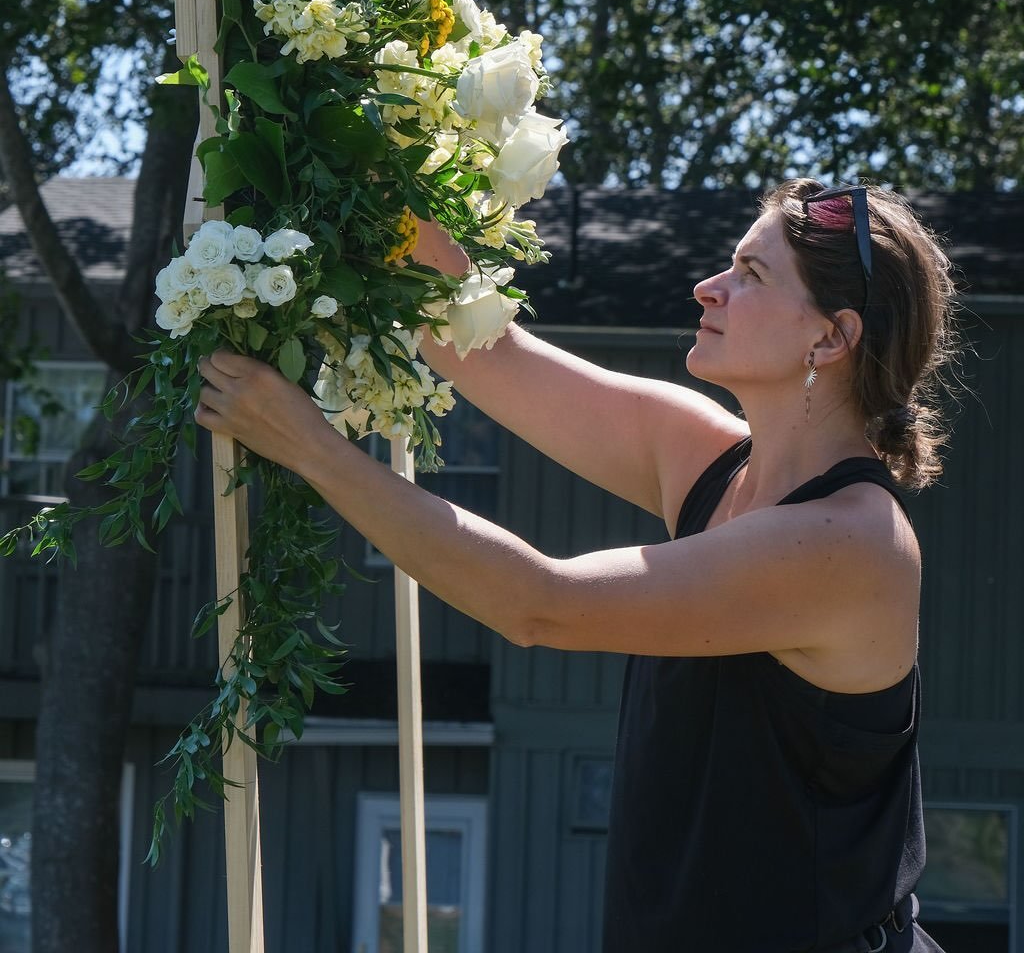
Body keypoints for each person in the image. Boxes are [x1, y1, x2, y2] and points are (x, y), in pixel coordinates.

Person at [196, 178, 956, 952]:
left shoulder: (851, 544)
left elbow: (538, 603)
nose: (708, 287)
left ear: (830, 339)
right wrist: (382, 189)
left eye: (752, 276)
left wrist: (310, 448)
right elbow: (489, 349)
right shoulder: (709, 459)